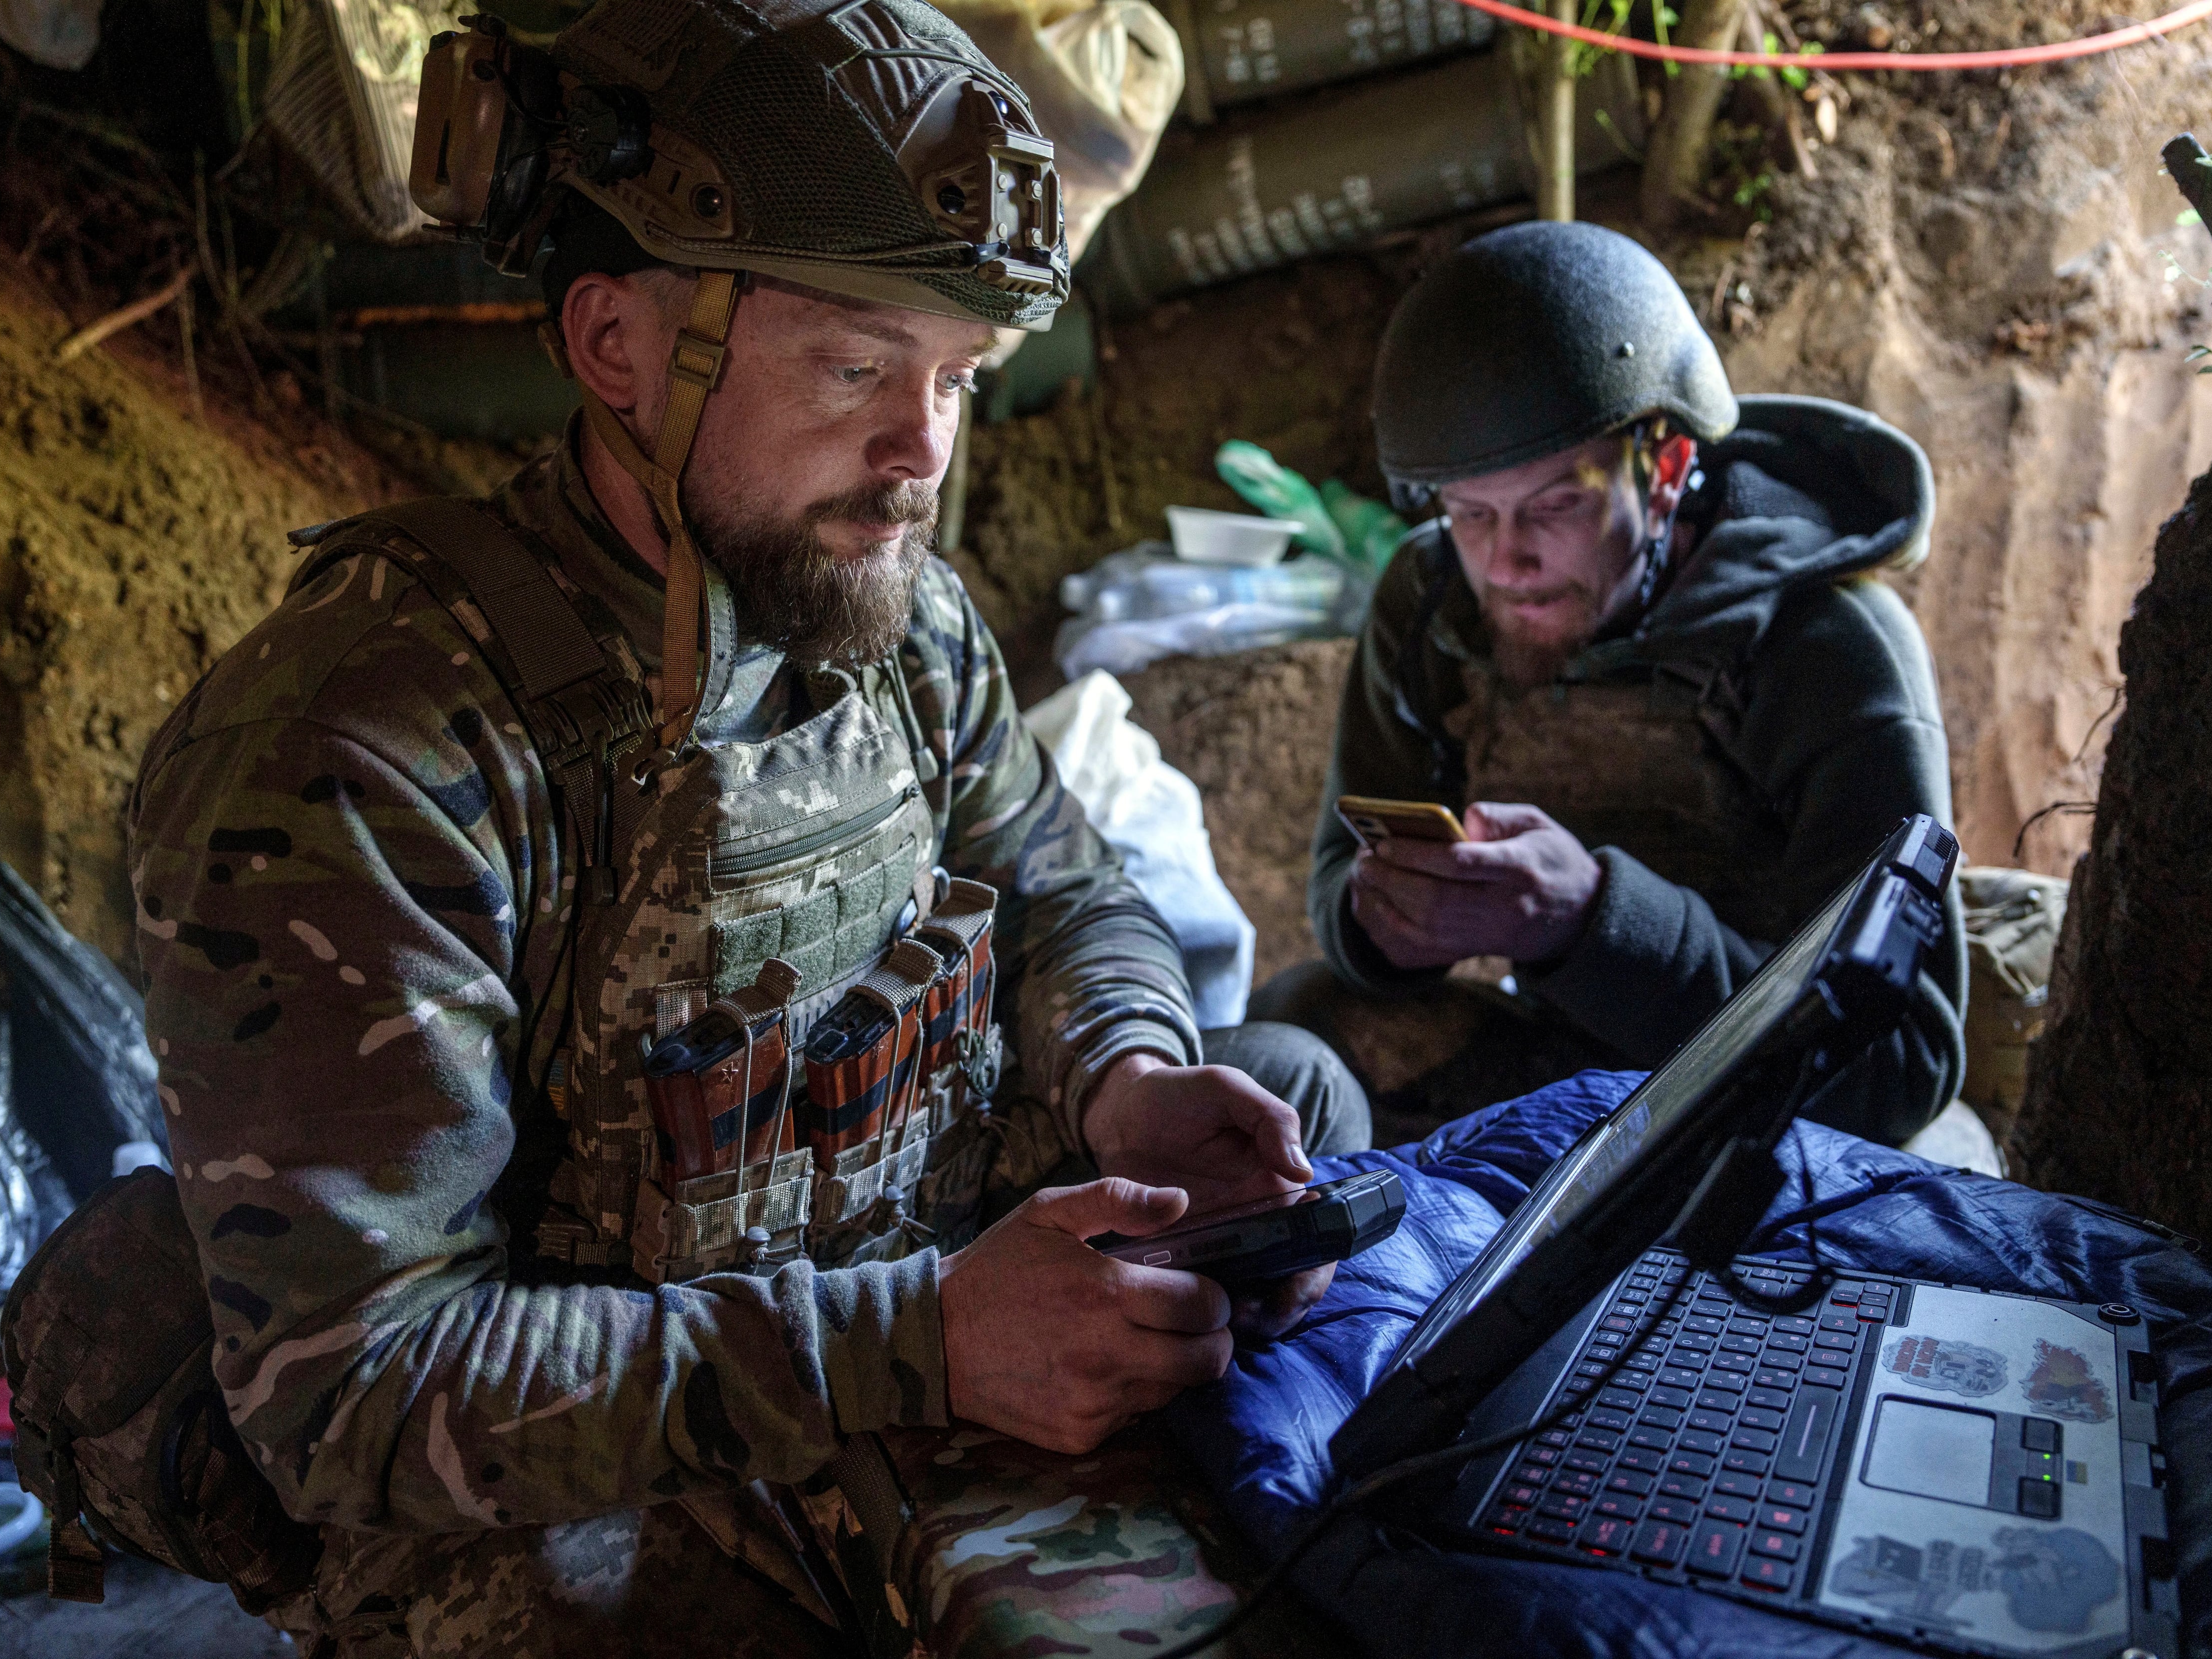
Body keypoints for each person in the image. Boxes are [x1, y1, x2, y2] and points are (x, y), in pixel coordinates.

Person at [126, 5, 1364, 1654]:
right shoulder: (370, 751)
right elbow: (353, 1390)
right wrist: (922, 1341)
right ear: (617, 346)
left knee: (1285, 1090)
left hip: (886, 1282)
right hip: (583, 1440)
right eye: (857, 366)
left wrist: (1130, 1075)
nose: (921, 456)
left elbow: (1063, 886)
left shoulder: (896, 614)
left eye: (954, 377)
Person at [1254, 220, 1965, 1144]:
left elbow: (1904, 1060)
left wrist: (1591, 921)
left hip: (1770, 1116)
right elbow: (1341, 871)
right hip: (1561, 1063)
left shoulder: (1825, 648)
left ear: (1664, 470)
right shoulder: (1430, 605)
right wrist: (1382, 920)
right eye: (1471, 514)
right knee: (1297, 1030)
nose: (1506, 561)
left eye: (1556, 505)